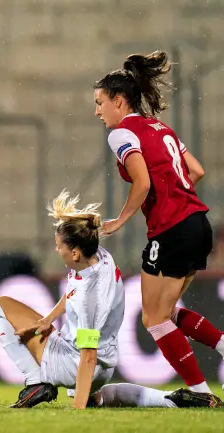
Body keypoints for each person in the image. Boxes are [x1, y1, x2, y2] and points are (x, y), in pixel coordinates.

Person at [0, 190, 222, 409]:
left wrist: (77, 411)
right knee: (97, 399)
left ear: (75, 253)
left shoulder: (90, 297)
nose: (57, 250)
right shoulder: (99, 257)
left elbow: (87, 356)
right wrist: (48, 318)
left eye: (59, 247)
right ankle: (171, 399)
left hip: (78, 361)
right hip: (106, 362)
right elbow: (72, 292)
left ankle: (35, 381)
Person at [94, 50, 224, 394]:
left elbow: (143, 182)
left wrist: (119, 220)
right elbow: (195, 171)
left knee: (153, 319)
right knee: (165, 313)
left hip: (173, 230)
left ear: (119, 102)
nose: (97, 111)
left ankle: (200, 392)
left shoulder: (121, 133)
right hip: (198, 223)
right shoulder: (160, 127)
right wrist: (174, 197)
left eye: (100, 102)